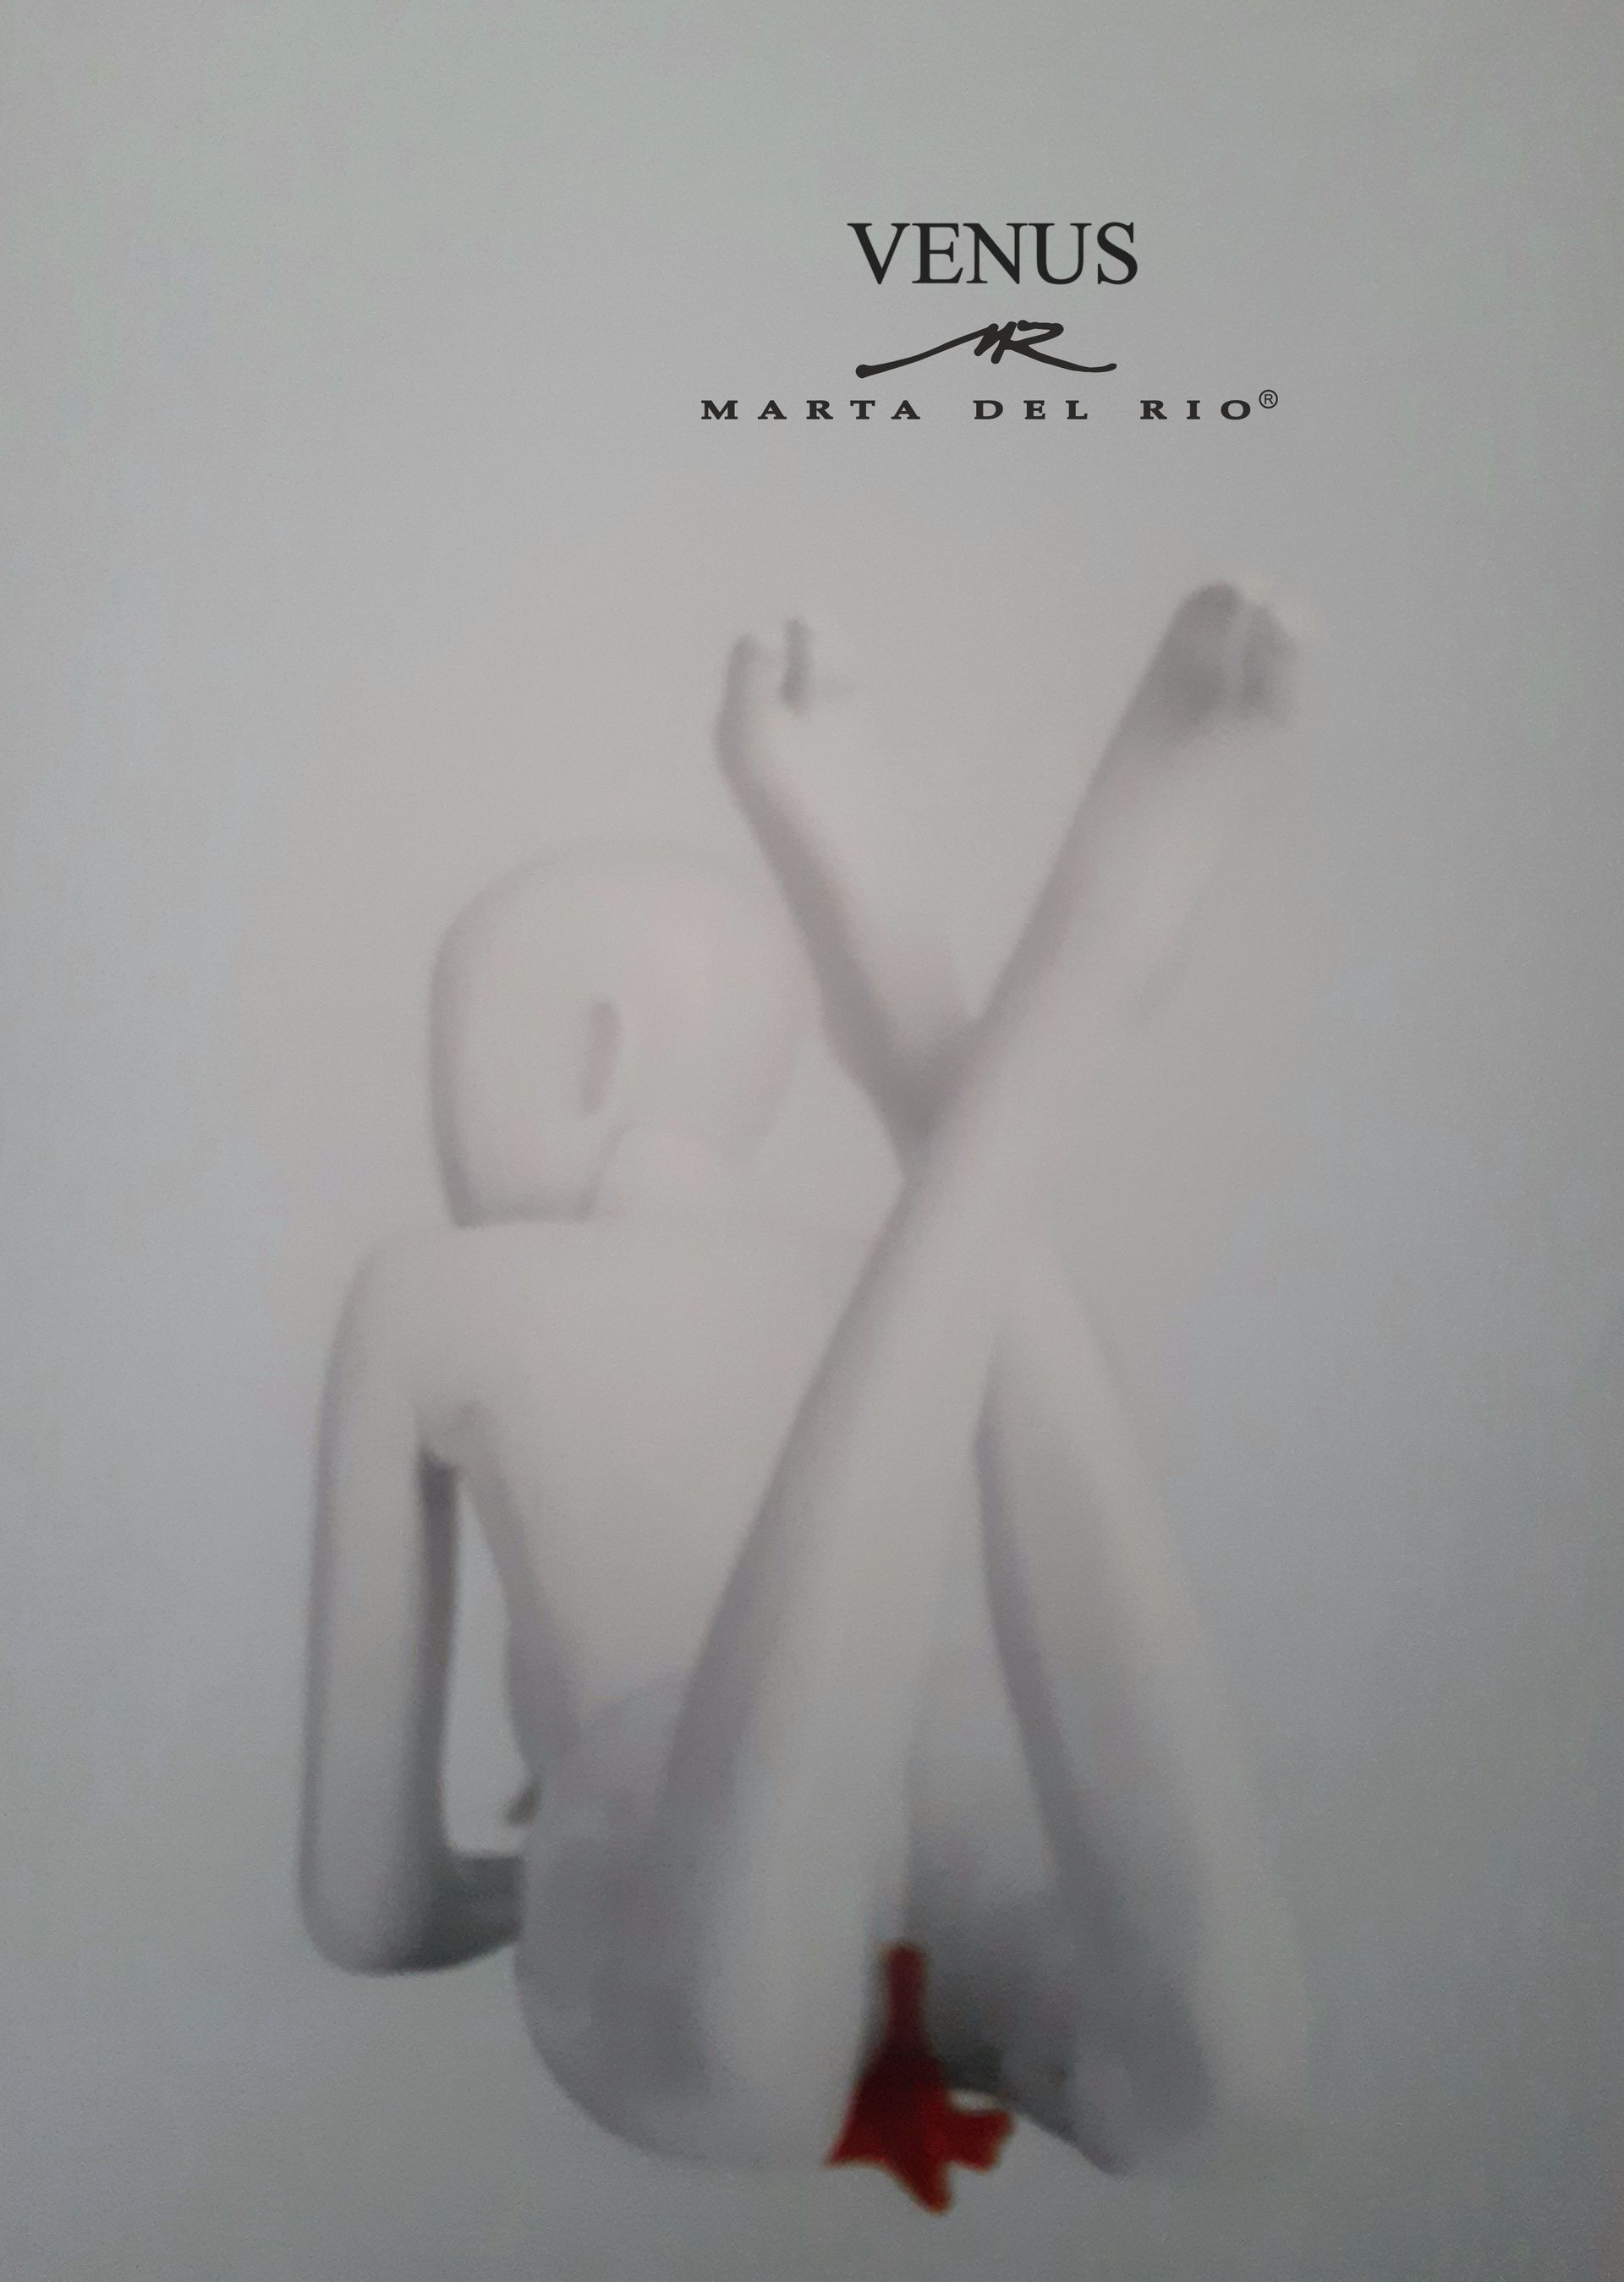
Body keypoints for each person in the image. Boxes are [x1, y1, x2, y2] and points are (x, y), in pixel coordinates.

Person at [299, 584, 1309, 2208]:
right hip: (953, 1778)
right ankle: (948, 1051)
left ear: (590, 1051)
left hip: (683, 1811)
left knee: (737, 2062)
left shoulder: (438, 1293)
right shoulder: (863, 1273)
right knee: (1210, 2091)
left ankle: (999, 1052)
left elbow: (368, 1907)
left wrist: (520, 1876)